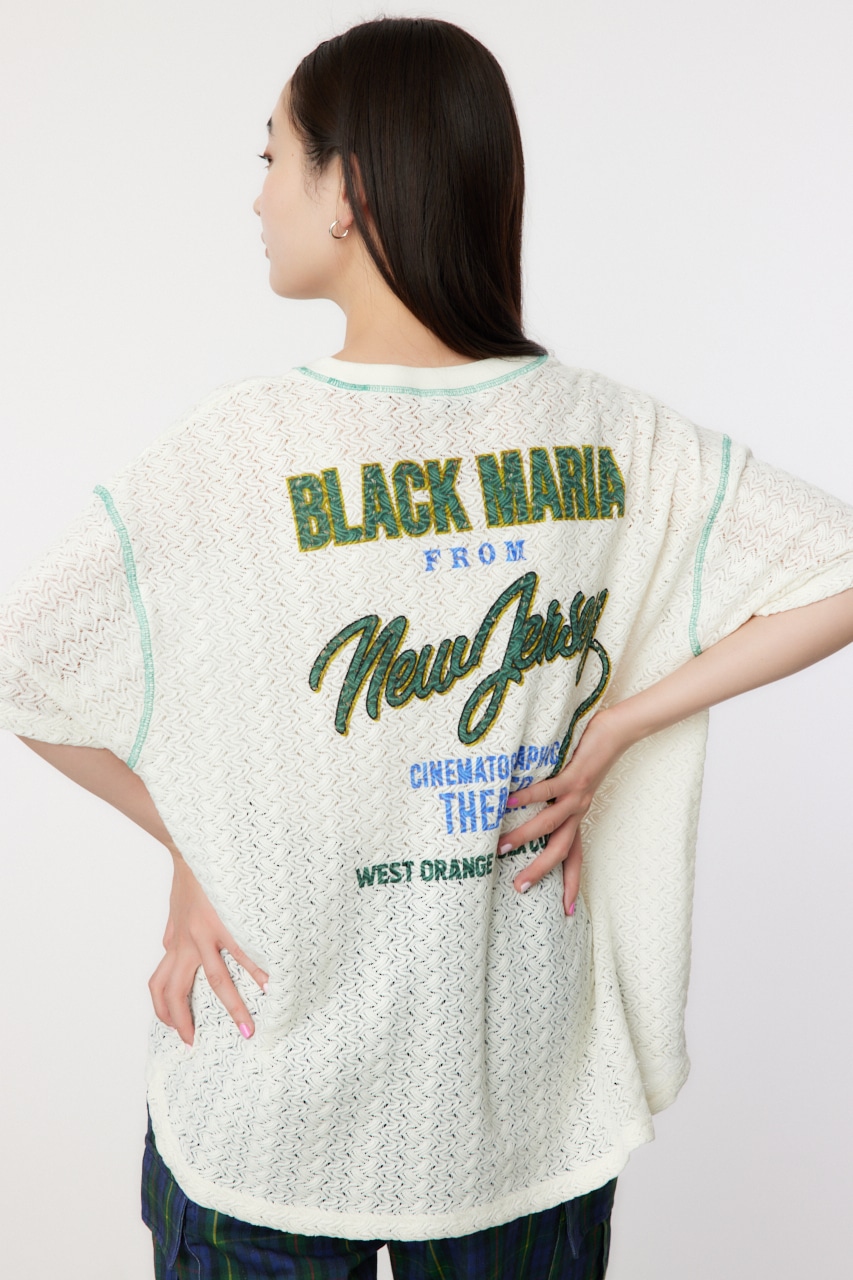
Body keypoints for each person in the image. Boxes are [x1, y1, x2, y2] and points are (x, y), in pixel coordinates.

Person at [1, 14, 852, 1280]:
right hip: (501, 1105)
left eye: (273, 157)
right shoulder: (607, 433)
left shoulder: (235, 450)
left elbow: (24, 663)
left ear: (347, 188)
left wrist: (616, 725)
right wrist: (198, 837)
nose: (257, 196)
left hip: (282, 1108)